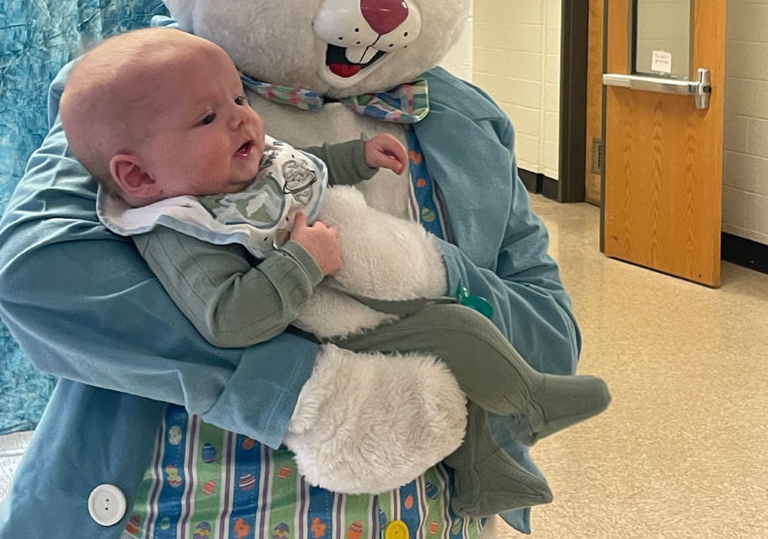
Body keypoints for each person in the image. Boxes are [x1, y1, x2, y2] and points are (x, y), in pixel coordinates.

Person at [58, 27, 610, 518]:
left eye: (237, 97)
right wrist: (303, 260)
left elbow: (300, 164)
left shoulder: (225, 165)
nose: (240, 117)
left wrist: (359, 157)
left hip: (334, 312)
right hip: (323, 349)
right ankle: (533, 404)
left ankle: (485, 472)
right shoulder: (179, 228)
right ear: (138, 176)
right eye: (208, 117)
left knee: (451, 372)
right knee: (453, 333)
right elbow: (229, 318)